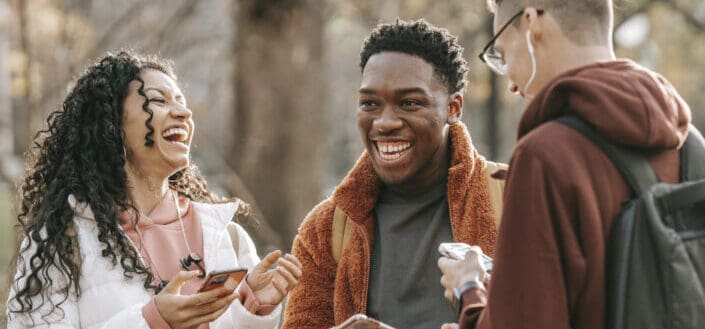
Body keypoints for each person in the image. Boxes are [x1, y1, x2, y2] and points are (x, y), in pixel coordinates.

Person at [438, 1, 693, 328]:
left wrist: (469, 289)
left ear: (532, 23)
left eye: (501, 53)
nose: (512, 84)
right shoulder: (688, 142)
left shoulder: (544, 157)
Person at [6, 50, 302, 329]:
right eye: (159, 101)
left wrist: (250, 307)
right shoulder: (61, 240)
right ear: (111, 124)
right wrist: (152, 320)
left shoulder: (225, 235)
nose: (183, 113)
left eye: (181, 102)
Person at [283, 19, 507, 329]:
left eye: (409, 103)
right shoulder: (326, 230)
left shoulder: (515, 198)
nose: (385, 122)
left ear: (453, 108)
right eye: (370, 103)